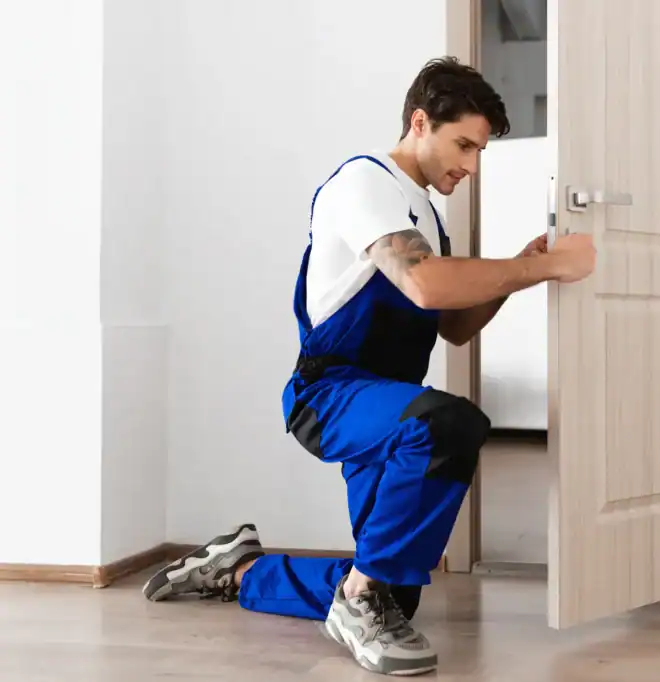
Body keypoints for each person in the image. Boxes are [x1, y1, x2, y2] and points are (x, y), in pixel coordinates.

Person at [139, 56, 596, 676]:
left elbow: (456, 327)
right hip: (330, 395)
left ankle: (239, 568)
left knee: (392, 586)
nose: (470, 165)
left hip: (388, 405)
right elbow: (426, 286)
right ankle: (355, 600)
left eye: (480, 151)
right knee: (451, 424)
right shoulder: (366, 182)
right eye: (463, 144)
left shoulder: (425, 216)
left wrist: (517, 267)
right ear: (419, 122)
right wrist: (544, 267)